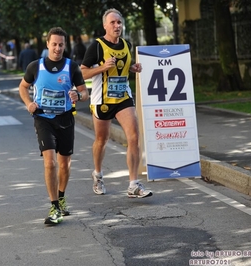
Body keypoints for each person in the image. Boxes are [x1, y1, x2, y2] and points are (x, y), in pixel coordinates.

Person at [18, 27, 89, 225]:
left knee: (64, 164)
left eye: (61, 45)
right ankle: (54, 206)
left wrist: (78, 95)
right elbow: (23, 87)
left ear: (65, 46)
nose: (57, 48)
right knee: (50, 162)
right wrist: (28, 103)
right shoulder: (36, 66)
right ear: (47, 44)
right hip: (43, 119)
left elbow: (85, 94)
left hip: (65, 119)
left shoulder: (71, 67)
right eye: (54, 44)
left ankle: (62, 196)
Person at [80, 8, 153, 198]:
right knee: (101, 140)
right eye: (112, 22)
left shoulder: (127, 44)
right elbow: (82, 72)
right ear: (105, 25)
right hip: (102, 100)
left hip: (122, 97)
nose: (116, 26)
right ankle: (97, 174)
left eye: (119, 22)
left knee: (134, 137)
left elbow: (123, 65)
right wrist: (103, 67)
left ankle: (133, 184)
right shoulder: (96, 47)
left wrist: (133, 68)